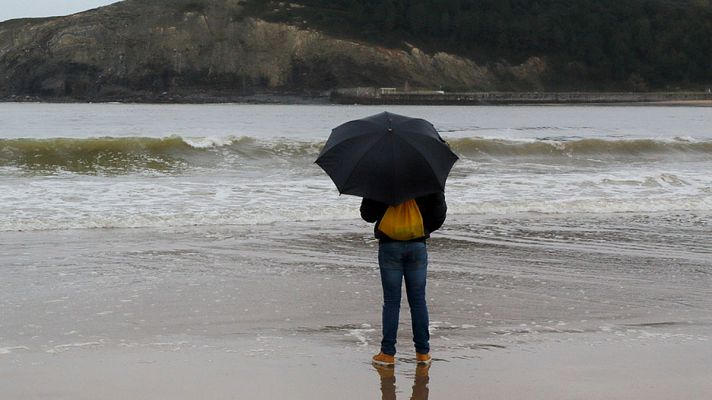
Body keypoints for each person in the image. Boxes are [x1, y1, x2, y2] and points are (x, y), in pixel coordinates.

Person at [361, 192, 447, 366]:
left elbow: (367, 215)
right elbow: (439, 214)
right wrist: (423, 227)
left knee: (392, 301)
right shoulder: (428, 178)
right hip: (417, 245)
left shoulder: (380, 178)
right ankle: (423, 353)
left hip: (389, 246)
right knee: (418, 301)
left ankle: (387, 353)